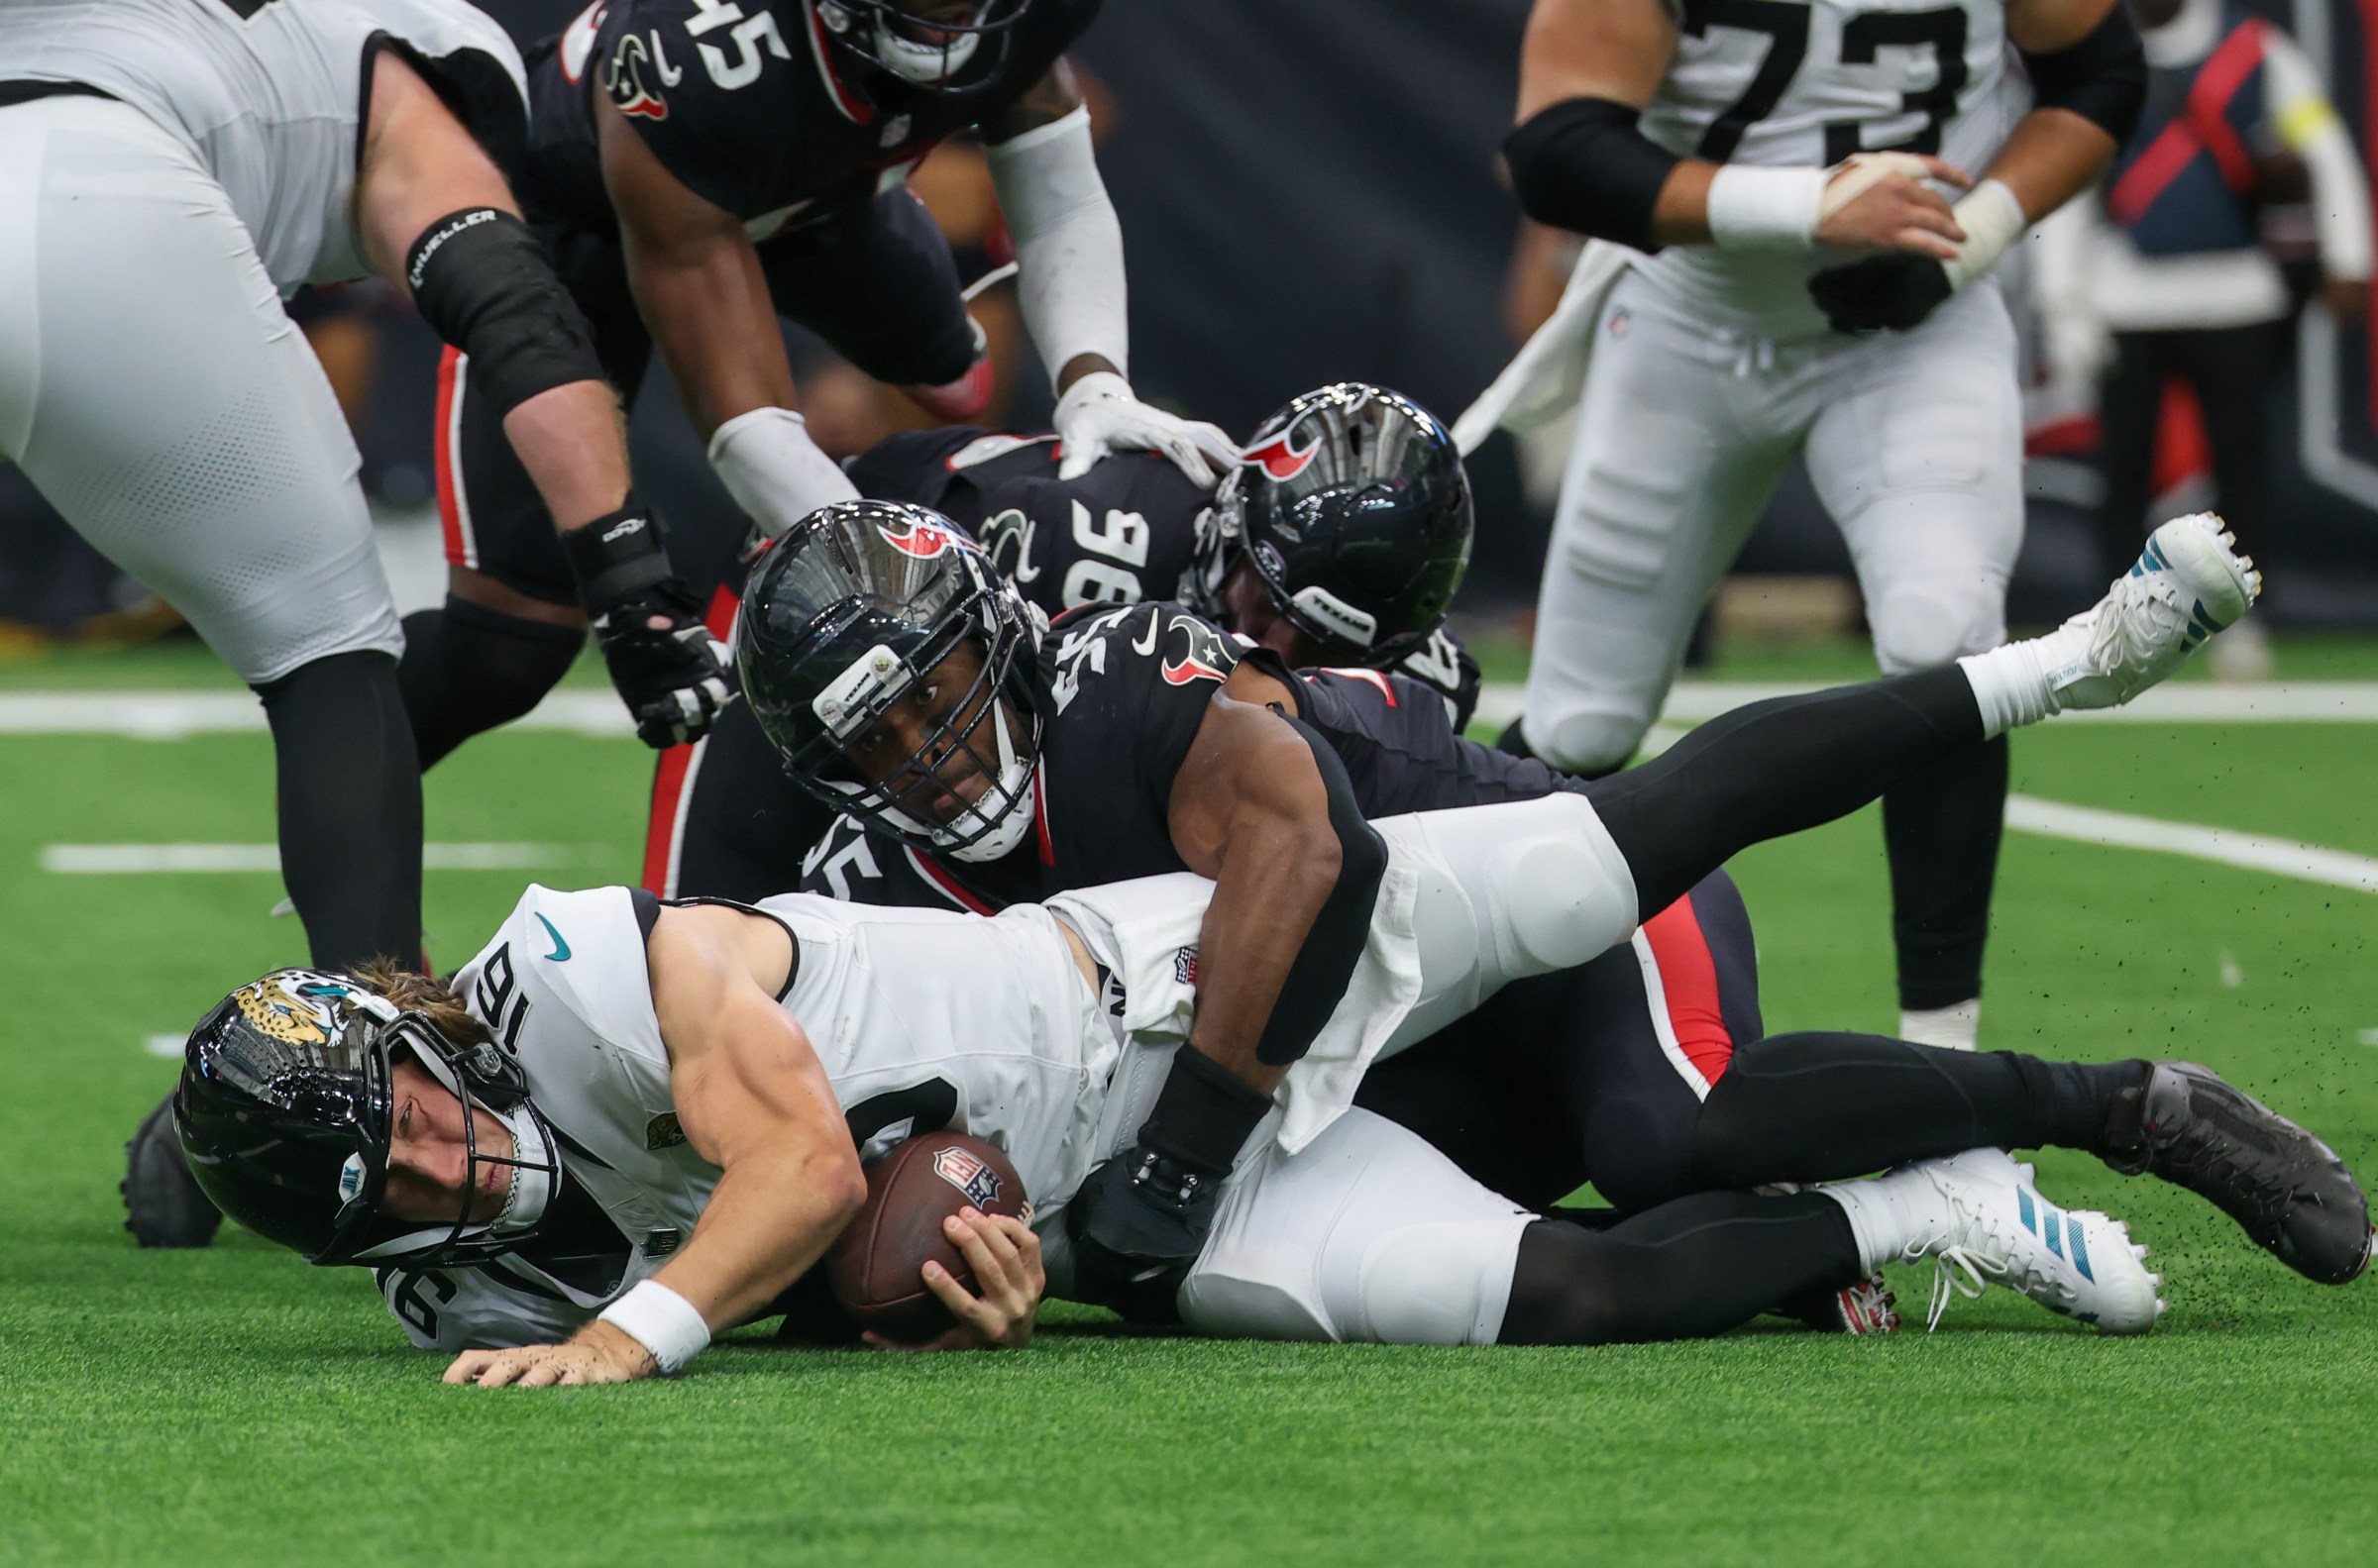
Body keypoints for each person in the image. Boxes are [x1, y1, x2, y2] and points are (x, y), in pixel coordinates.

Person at [739, 498, 2282, 1307]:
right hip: (1346, 1061)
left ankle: (2115, 1095)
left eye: (928, 693)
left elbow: (1310, 864)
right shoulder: (869, 876)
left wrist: (1189, 1147)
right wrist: (966, 1262)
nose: (925, 754)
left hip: (1508, 914)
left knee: (1676, 1133)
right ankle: (1891, 1218)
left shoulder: (1119, 679)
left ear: (990, 632)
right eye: (868, 741)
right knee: (1517, 1262)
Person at [174, 817, 2366, 1382]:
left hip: (1187, 974)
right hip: (1140, 1184)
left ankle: (2102, 1072)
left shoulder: (568, 962)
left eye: (438, 1113)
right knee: (1556, 1291)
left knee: (1644, 996)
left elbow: (795, 1162)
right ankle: (1933, 1205)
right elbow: (836, 1246)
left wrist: (646, 1329)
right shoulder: (447, 1278)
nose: (468, 1157)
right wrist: (946, 1286)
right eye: (416, 1182)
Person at [0, 0, 724, 1244]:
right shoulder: (400, 80)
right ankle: (370, 1093)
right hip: (92, 196)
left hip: (73, 162)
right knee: (332, 650)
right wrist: (630, 574)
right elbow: (510, 310)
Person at [1475, 0, 2152, 1055]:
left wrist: (1965, 243)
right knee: (1580, 725)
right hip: (1687, 318)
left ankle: (1944, 1063)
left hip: (1912, 328)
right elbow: (1558, 153)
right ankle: (1467, 1023)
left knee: (1943, 636)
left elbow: (2100, 74)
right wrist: (1807, 204)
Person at [403, 0, 1235, 771]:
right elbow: (746, 422)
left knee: (954, 375)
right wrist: (899, 589)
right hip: (586, 218)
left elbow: (1054, 190)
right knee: (510, 644)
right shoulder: (690, 57)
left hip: (820, 200)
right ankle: (347, 793)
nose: (951, 27)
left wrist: (1096, 383)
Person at [644, 382, 1480, 901]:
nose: (1261, 639)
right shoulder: (1079, 545)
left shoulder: (1422, 680)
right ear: (1230, 520)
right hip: (830, 608)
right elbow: (929, 650)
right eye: (1260, 598)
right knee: (707, 929)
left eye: (1311, 643)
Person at [2030, 0, 2371, 679]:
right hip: (2127, 296)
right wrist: (2062, 303)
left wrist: (2350, 257)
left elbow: (2323, 150)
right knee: (2122, 468)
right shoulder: (2101, 57)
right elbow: (2067, 181)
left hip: (2236, 295)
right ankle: (2111, 625)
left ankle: (2245, 621)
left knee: (2241, 464)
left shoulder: (2254, 51)